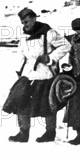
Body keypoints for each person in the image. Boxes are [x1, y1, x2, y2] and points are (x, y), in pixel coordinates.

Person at [8, 8, 71, 143]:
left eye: (26, 21)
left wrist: (50, 58)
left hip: (45, 74)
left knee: (48, 104)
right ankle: (23, 133)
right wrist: (19, 71)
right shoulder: (24, 36)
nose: (25, 25)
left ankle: (50, 133)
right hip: (27, 74)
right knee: (20, 101)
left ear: (34, 18)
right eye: (23, 22)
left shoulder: (48, 32)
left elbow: (66, 46)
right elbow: (21, 54)